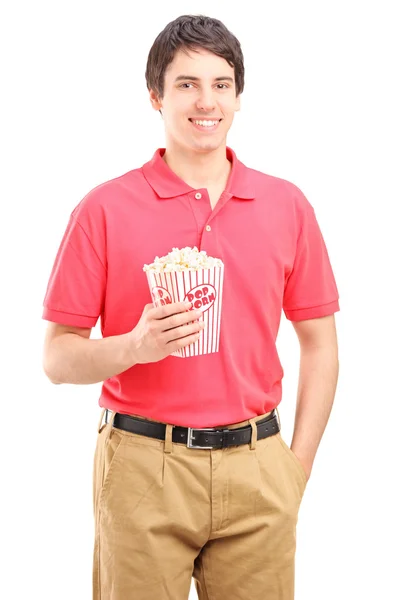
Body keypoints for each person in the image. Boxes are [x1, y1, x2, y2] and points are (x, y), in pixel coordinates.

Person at [42, 13, 340, 600]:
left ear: (237, 96)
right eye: (186, 84)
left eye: (220, 84)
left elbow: (320, 343)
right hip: (142, 467)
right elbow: (56, 358)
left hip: (258, 466)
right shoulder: (103, 209)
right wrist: (136, 346)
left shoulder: (287, 206)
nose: (207, 102)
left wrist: (294, 470)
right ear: (155, 95)